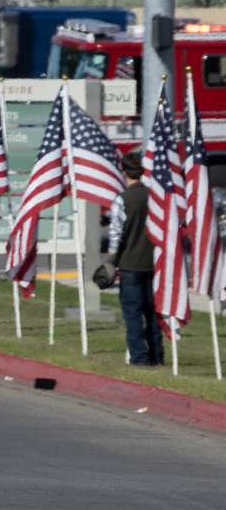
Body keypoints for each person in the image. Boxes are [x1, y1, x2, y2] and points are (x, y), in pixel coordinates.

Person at [98, 148, 162, 366]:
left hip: (130, 266)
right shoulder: (153, 197)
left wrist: (110, 262)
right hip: (153, 264)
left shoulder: (122, 200)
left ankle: (139, 358)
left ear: (124, 173)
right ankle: (157, 356)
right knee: (153, 313)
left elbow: (116, 235)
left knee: (133, 315)